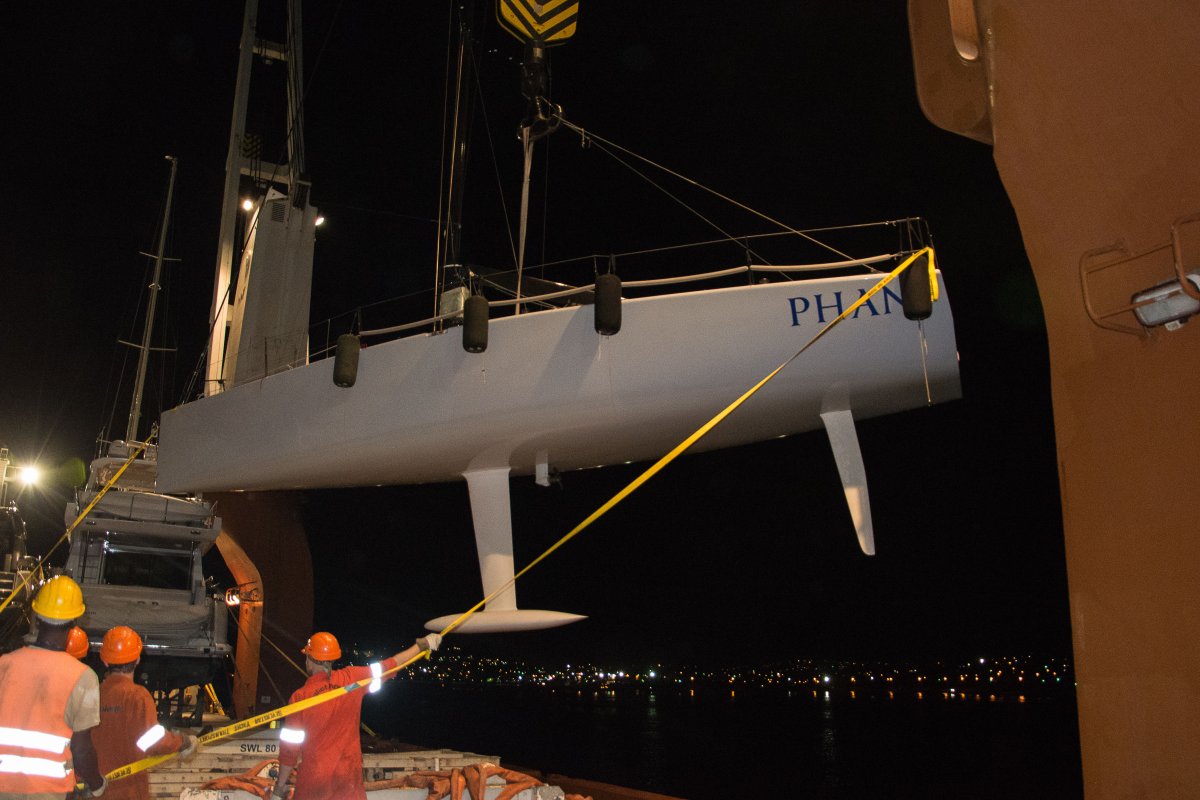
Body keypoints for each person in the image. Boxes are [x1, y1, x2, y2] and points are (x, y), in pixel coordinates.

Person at [270, 631, 441, 800]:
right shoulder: (352, 679)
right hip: (348, 782)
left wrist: (279, 788)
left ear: (310, 660)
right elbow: (390, 665)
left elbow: (288, 753)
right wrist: (422, 645)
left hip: (314, 785)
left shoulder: (300, 698)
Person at [0, 575, 106, 799]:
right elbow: (81, 748)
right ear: (75, 621)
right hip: (49, 791)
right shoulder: (83, 677)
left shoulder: (4, 665)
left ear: (36, 618)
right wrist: (97, 783)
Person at [93, 626, 197, 800]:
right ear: (138, 659)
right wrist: (182, 742)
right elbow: (152, 741)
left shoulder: (93, 694)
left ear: (104, 660)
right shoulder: (137, 696)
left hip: (93, 790)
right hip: (128, 791)